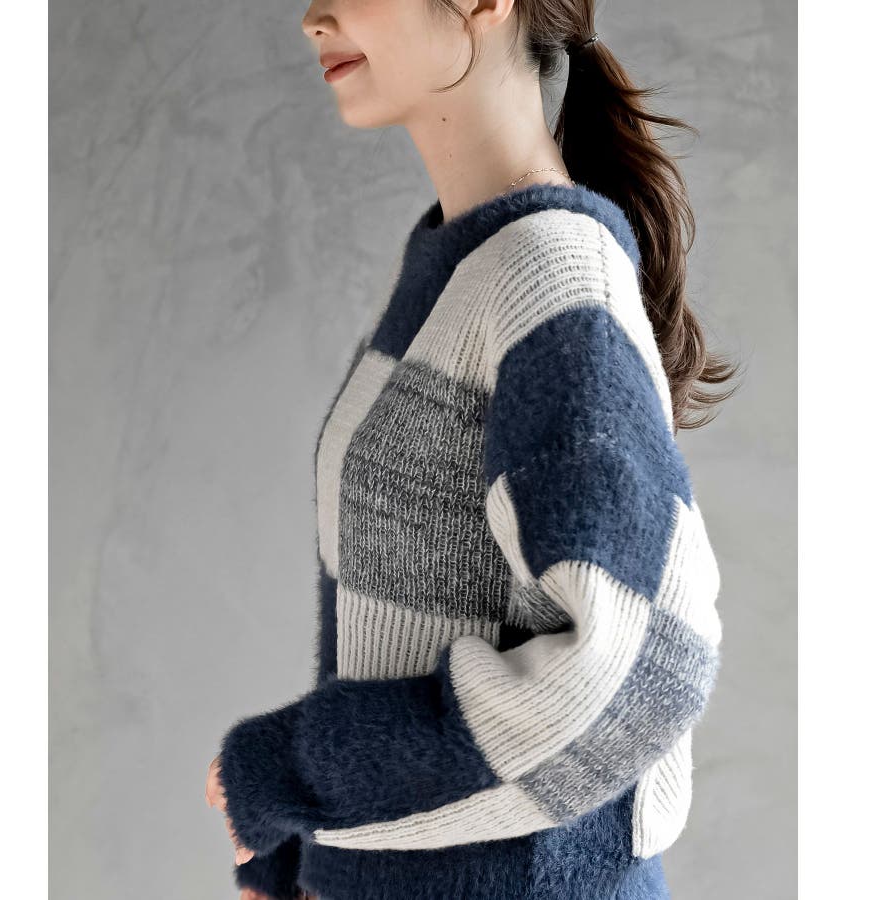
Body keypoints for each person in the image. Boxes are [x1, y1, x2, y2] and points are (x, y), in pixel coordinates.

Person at [205, 1, 741, 898]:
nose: (313, 16)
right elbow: (412, 628)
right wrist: (312, 849)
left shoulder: (549, 271)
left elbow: (644, 666)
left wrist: (295, 772)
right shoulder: (469, 263)